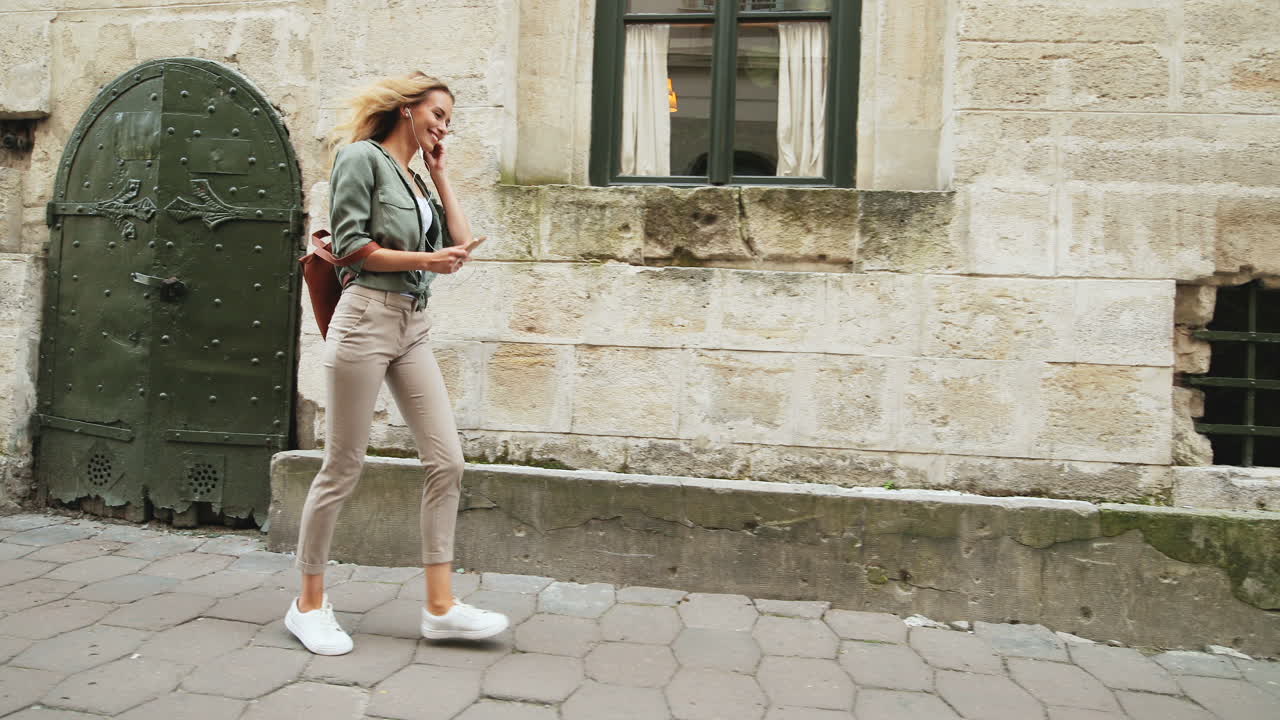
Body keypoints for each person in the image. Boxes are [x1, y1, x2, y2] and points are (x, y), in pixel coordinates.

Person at [284, 71, 507, 655]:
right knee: (343, 466)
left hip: (412, 324)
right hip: (364, 319)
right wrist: (428, 262)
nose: (443, 125)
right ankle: (308, 604)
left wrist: (440, 174)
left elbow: (458, 239)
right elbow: (355, 246)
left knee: (447, 462)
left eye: (449, 120)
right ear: (406, 109)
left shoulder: (417, 179)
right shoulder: (361, 158)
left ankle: (440, 607)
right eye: (437, 114)